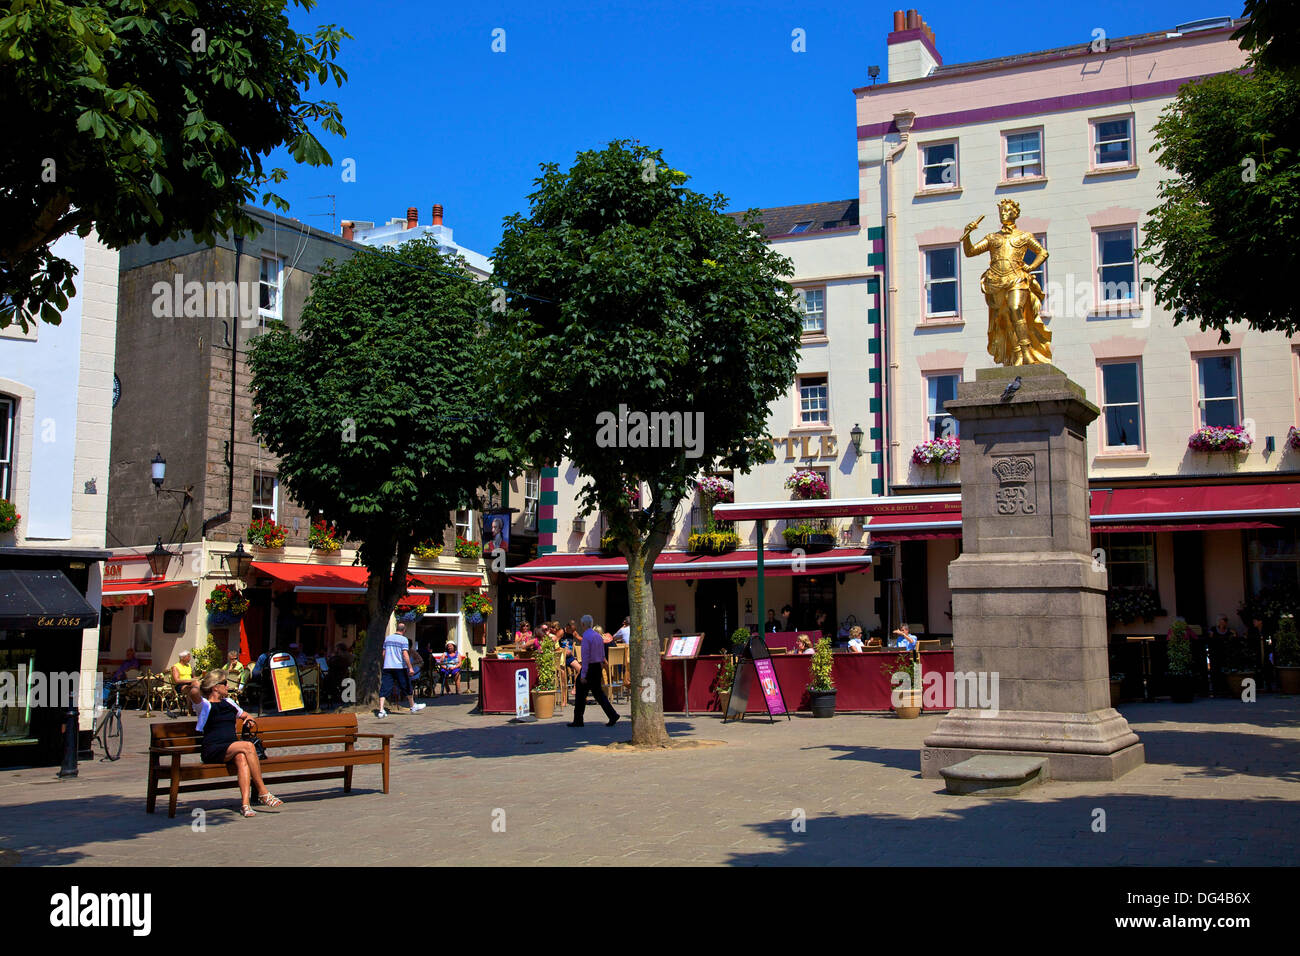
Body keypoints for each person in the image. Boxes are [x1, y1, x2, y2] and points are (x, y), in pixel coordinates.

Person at [193, 670, 283, 817]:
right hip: (213, 749)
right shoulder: (204, 705)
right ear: (215, 687)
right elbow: (193, 694)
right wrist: (195, 684)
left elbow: (246, 715)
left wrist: (249, 719)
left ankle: (245, 805)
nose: (227, 686)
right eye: (224, 683)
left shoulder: (229, 703)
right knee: (247, 746)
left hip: (231, 748)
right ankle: (262, 791)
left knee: (242, 757)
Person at [568, 614, 620, 728]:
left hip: (590, 667)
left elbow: (585, 657)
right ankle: (612, 715)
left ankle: (578, 719)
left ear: (583, 625)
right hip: (597, 667)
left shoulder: (586, 637)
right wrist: (601, 667)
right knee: (598, 693)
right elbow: (602, 654)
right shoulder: (597, 636)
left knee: (581, 693)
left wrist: (583, 674)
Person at [377, 622, 424, 718]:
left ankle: (381, 710)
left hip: (388, 666)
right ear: (404, 630)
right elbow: (405, 654)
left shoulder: (388, 638)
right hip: (399, 667)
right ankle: (412, 706)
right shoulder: (403, 640)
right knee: (406, 685)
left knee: (385, 686)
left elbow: (383, 653)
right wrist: (410, 667)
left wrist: (385, 663)